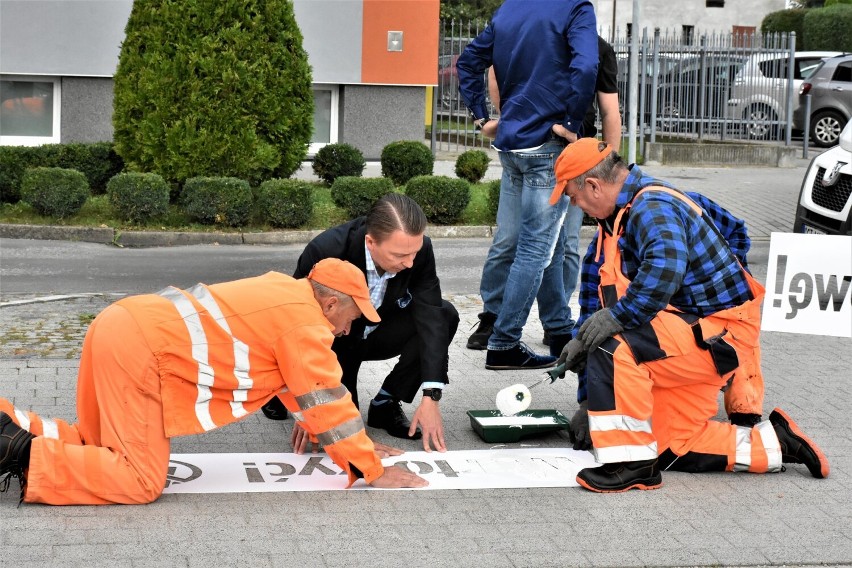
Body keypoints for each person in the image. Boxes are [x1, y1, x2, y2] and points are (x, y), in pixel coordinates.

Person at [0, 258, 428, 505]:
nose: (348, 331)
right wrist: (368, 469)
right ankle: (16, 451)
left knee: (100, 445)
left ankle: (8, 422)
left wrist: (353, 442)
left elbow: (294, 389)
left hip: (120, 322)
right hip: (141, 350)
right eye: (351, 319)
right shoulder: (305, 325)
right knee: (140, 481)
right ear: (330, 302)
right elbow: (326, 398)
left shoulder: (282, 290)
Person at [550, 138, 830, 492]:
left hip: (718, 338)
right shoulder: (611, 228)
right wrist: (587, 380)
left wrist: (612, 326)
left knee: (614, 346)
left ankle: (630, 465)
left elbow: (665, 268)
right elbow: (595, 309)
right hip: (690, 339)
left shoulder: (653, 206)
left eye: (573, 198)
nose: (577, 207)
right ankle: (776, 443)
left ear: (593, 185)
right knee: (670, 446)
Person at [456, 0, 599, 370]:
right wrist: (571, 123)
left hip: (513, 146)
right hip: (548, 146)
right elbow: (586, 66)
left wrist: (480, 115)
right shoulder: (576, 8)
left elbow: (469, 61)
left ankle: (554, 329)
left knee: (529, 243)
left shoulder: (509, 9)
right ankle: (504, 343)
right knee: (537, 249)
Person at [261, 194, 458, 453]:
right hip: (337, 340)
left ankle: (386, 403)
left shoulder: (418, 249)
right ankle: (279, 390)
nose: (410, 262)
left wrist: (431, 396)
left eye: (414, 253)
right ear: (370, 242)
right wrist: (308, 406)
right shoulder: (326, 250)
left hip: (380, 330)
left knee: (446, 314)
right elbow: (295, 325)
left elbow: (430, 315)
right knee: (342, 429)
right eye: (400, 255)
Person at [470, 35, 622, 352]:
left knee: (563, 246)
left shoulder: (599, 49)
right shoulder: (536, 35)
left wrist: (610, 166)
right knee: (508, 240)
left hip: (576, 157)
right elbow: (496, 69)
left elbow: (610, 111)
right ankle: (493, 317)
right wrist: (505, 117)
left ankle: (556, 324)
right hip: (527, 151)